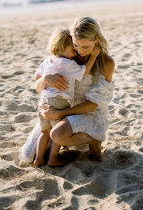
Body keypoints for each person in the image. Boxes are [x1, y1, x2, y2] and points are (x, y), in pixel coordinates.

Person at [21, 17, 114, 165]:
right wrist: (45, 78)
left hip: (89, 114)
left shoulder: (106, 62)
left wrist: (59, 114)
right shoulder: (67, 56)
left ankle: (93, 139)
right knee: (28, 155)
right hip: (62, 109)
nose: (80, 51)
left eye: (85, 47)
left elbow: (92, 104)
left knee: (56, 134)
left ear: (96, 39)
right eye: (76, 45)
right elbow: (38, 89)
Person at [34, 28, 101, 167]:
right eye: (73, 49)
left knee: (45, 133)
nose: (76, 52)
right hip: (59, 102)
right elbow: (83, 72)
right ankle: (52, 159)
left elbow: (37, 78)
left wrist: (47, 78)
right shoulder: (67, 63)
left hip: (43, 102)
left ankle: (39, 159)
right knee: (56, 134)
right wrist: (93, 57)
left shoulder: (47, 61)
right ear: (63, 47)